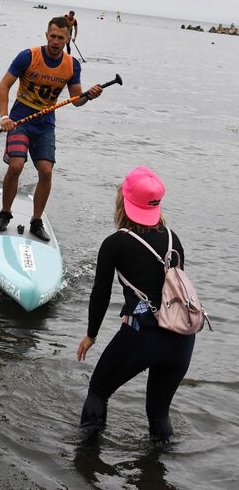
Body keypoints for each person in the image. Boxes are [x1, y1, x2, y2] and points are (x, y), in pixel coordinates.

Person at [77, 166, 196, 443]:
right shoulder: (172, 238)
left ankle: (84, 464)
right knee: (158, 415)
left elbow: (101, 295)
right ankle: (158, 473)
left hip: (142, 335)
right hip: (182, 340)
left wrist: (91, 335)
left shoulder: (116, 243)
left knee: (98, 391)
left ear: (124, 202)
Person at [0, 16, 103, 241]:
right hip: (19, 122)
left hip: (45, 126)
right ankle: (5, 214)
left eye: (60, 38)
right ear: (46, 35)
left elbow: (75, 100)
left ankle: (36, 221)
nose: (55, 41)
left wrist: (88, 96)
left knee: (46, 171)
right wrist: (4, 116)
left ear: (67, 39)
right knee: (16, 165)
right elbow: (4, 86)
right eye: (52, 36)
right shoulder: (28, 56)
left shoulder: (71, 65)